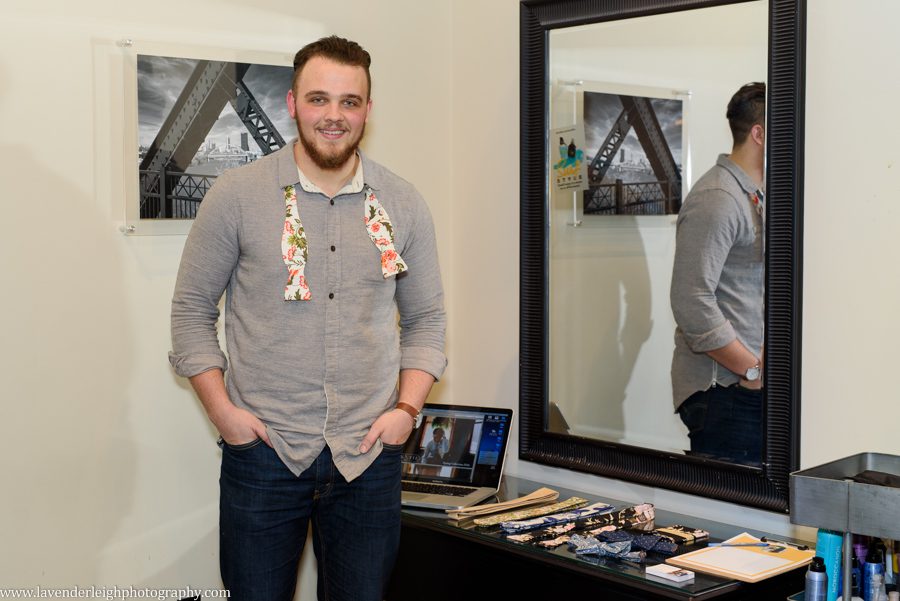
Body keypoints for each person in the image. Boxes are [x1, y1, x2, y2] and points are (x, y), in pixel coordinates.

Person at [169, 35, 446, 601]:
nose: (334, 116)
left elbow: (427, 321)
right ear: (292, 104)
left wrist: (406, 410)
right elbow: (191, 313)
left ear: (368, 110)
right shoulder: (236, 195)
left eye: (350, 102)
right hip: (264, 456)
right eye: (319, 99)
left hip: (369, 458)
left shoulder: (404, 202)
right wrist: (225, 416)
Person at [670, 82, 766, 466]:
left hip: (743, 387)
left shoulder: (753, 194)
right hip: (724, 391)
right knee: (733, 519)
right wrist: (753, 371)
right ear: (758, 133)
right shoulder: (718, 199)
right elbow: (691, 302)